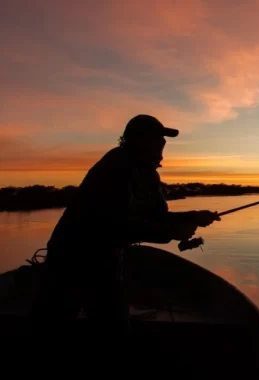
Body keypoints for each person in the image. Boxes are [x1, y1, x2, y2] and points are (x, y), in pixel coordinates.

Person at [31, 114, 220, 338]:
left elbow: (157, 216)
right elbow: (118, 226)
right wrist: (173, 232)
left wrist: (193, 216)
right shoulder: (115, 167)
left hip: (106, 259)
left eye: (163, 140)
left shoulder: (148, 174)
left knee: (113, 324)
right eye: (157, 140)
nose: (163, 144)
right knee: (59, 326)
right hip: (72, 257)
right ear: (139, 141)